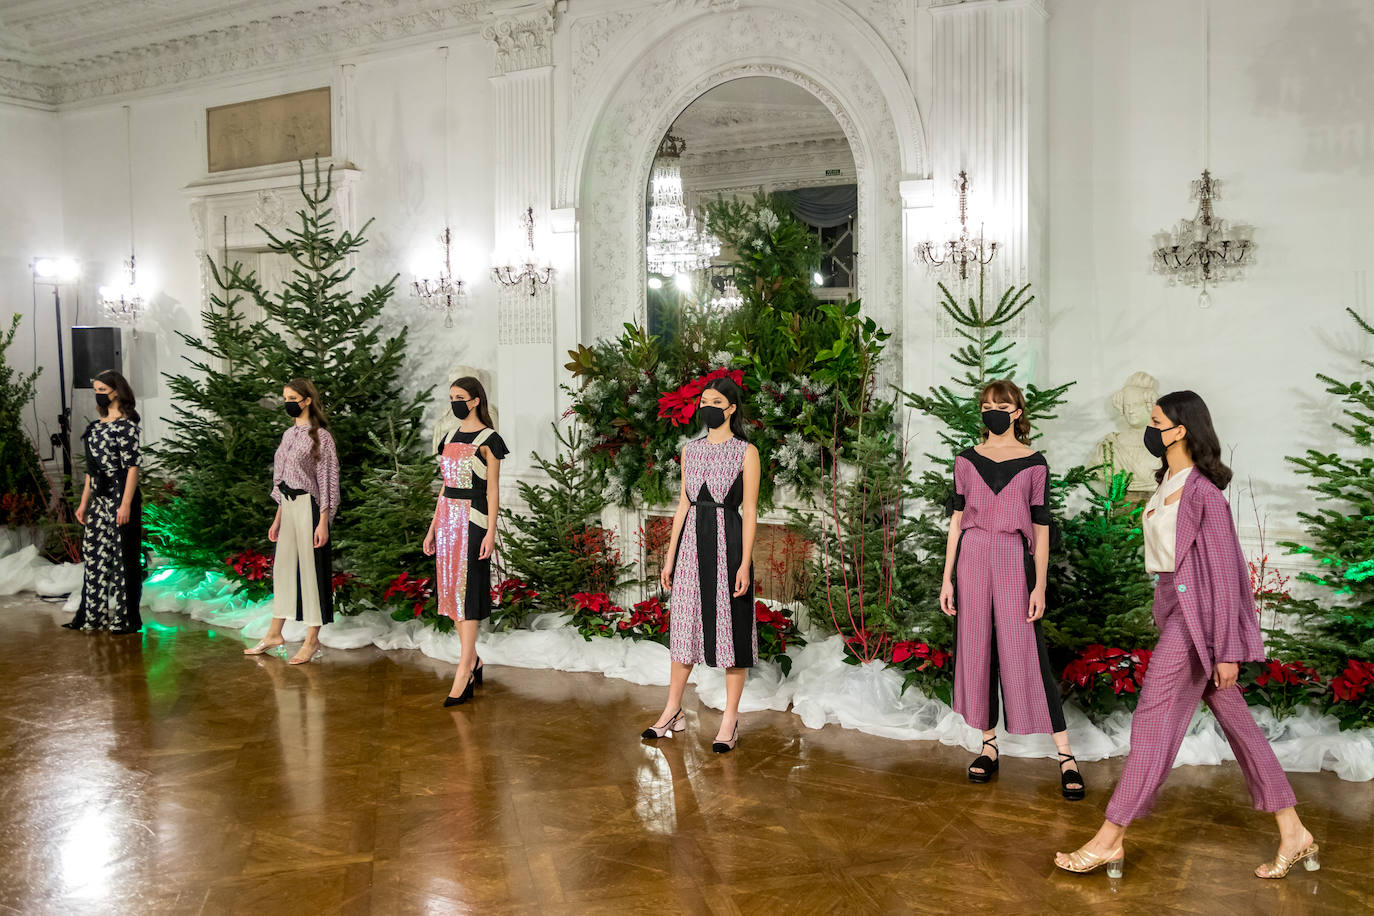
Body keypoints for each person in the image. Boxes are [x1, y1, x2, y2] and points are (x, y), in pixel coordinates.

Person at [1055, 391, 1317, 880]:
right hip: (1175, 611)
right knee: (1238, 723)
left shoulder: (1204, 494)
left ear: (1180, 430)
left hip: (1197, 624)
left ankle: (1110, 838)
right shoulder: (1166, 483)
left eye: (1155, 423)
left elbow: (1225, 576)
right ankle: (1294, 831)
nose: (1148, 431)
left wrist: (1226, 649)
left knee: (1151, 724)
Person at [940, 379, 1084, 799]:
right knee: (976, 648)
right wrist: (947, 577)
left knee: (1026, 651)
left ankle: (1065, 755)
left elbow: (1040, 529)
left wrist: (1038, 585)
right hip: (971, 556)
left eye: (1000, 405)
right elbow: (955, 521)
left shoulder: (1034, 464)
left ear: (1017, 412)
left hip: (1010, 556)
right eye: (985, 405)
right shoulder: (965, 461)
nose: (992, 411)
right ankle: (988, 745)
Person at [643, 376, 760, 753]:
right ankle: (672, 710)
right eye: (703, 400)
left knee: (732, 628)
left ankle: (730, 719)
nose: (706, 406)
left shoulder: (747, 452)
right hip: (691, 544)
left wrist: (744, 564)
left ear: (731, 408)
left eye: (714, 401)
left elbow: (752, 510)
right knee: (684, 628)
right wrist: (669, 555)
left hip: (729, 542)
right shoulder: (689, 451)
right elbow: (682, 505)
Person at [423, 376, 508, 707]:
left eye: (459, 397)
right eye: (451, 397)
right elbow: (444, 486)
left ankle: (463, 668)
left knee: (468, 591)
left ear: (475, 400)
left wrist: (491, 531)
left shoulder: (490, 439)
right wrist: (432, 528)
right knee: (451, 593)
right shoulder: (449, 437)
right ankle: (473, 659)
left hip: (473, 519)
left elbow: (493, 488)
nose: (454, 402)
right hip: (446, 519)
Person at [244, 379, 340, 665]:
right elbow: (282, 480)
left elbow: (328, 481)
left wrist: (323, 521)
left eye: (292, 397)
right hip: (287, 507)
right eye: (284, 397)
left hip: (309, 508)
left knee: (311, 573)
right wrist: (277, 519)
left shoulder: (321, 437)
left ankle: (312, 640)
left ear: (307, 400)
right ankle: (275, 633)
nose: (287, 402)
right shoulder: (288, 435)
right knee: (284, 570)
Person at [65, 370, 143, 634]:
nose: (98, 395)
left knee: (123, 559)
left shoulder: (126, 426)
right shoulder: (95, 427)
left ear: (116, 392)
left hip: (120, 495)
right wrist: (83, 503)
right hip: (99, 498)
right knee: (94, 556)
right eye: (95, 389)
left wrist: (125, 504)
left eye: (102, 389)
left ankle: (124, 618)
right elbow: (91, 471)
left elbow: (132, 468)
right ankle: (93, 615)